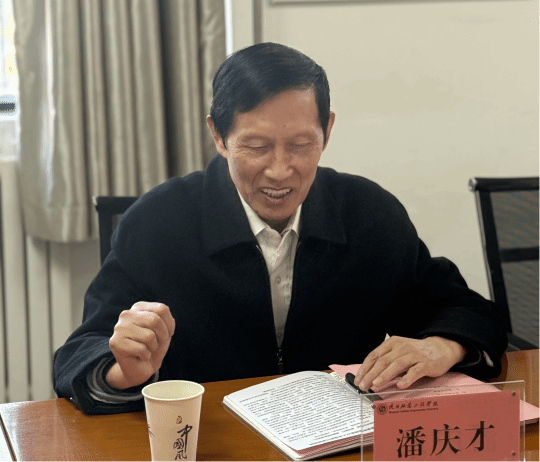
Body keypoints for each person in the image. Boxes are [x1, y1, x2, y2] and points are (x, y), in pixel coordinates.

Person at [53, 42, 507, 415]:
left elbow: (465, 309)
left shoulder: (369, 213)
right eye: (256, 146)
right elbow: (80, 353)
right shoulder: (158, 222)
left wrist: (441, 346)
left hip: (341, 442)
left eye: (301, 144)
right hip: (210, 440)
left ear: (327, 131)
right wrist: (124, 371)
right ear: (218, 136)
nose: (279, 170)